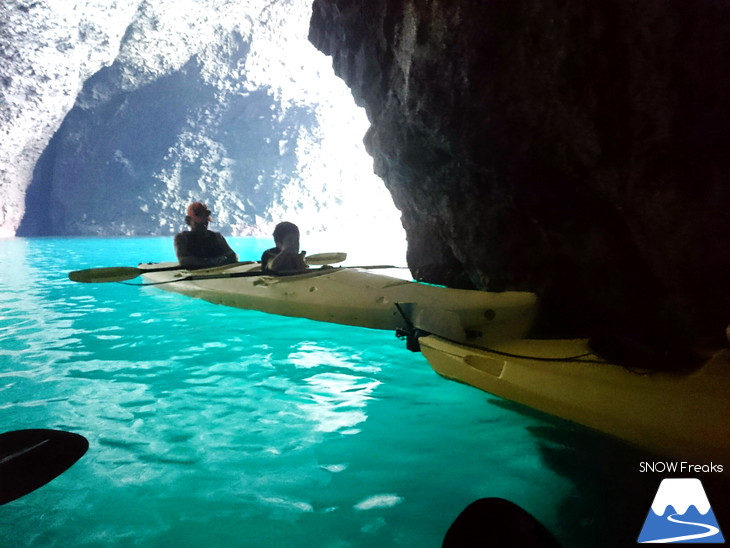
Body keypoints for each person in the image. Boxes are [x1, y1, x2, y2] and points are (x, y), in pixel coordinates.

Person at [174, 202, 238, 269]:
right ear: (188, 221)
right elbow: (184, 260)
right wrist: (212, 262)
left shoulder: (217, 237)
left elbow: (232, 255)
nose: (203, 224)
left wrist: (224, 259)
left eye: (205, 221)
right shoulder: (182, 238)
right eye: (198, 222)